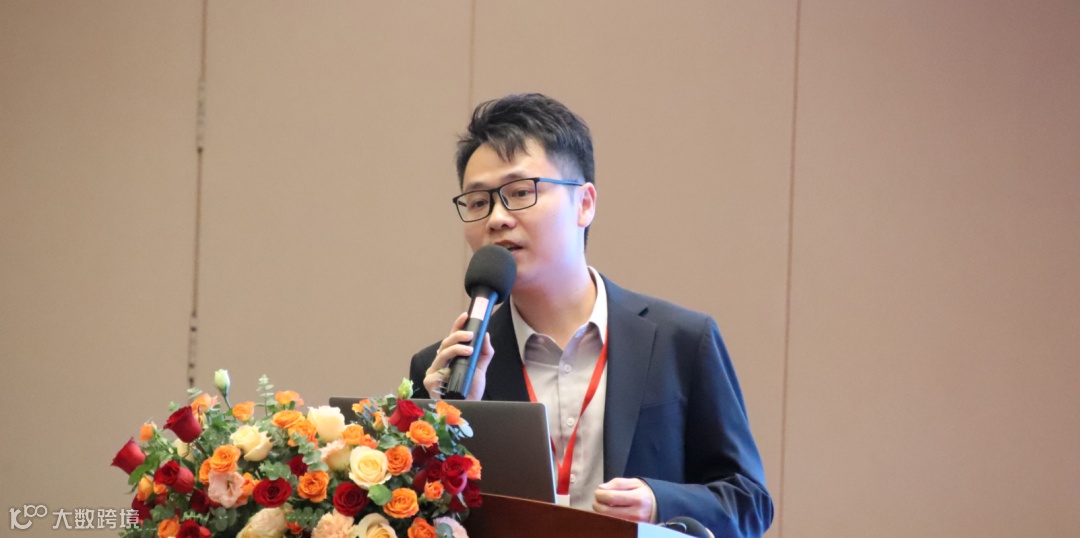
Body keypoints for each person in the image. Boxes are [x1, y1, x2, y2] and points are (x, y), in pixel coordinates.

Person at [408, 93, 773, 537]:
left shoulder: (680, 342)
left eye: (520, 192)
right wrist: (448, 417)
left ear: (584, 203)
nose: (497, 218)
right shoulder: (447, 372)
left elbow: (750, 502)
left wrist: (659, 503)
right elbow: (419, 518)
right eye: (479, 202)